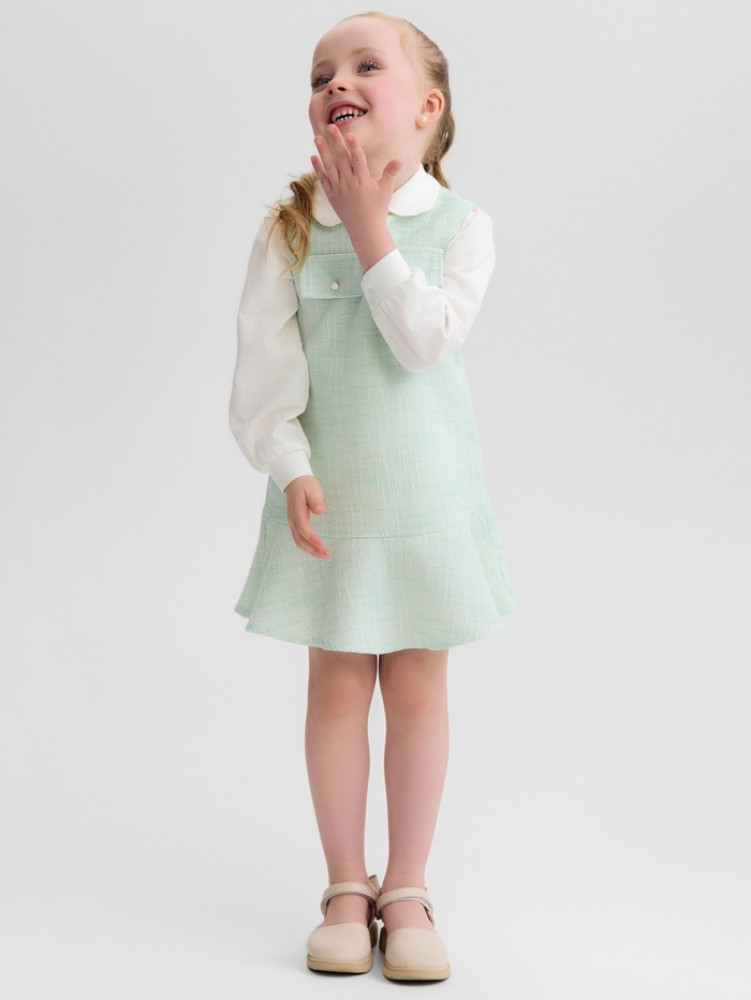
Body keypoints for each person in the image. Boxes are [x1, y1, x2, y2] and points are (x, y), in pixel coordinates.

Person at [229, 11, 515, 981]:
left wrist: (368, 228)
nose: (335, 83)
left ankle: (409, 888)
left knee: (419, 692)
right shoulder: (287, 229)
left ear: (427, 110)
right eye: (320, 75)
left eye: (362, 65)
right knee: (338, 687)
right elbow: (264, 375)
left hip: (425, 500)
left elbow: (425, 341)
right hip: (335, 505)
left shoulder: (462, 227)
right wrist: (288, 464)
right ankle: (346, 887)